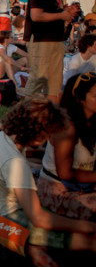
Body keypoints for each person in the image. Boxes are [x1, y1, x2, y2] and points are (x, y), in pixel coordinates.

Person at [0, 97, 96, 267]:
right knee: (84, 238)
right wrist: (88, 226)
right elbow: (39, 219)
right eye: (51, 134)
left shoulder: (5, 137)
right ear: (39, 136)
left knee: (63, 222)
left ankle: (35, 249)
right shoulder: (14, 162)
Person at [38, 73, 96, 220]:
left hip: (84, 186)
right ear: (80, 98)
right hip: (57, 190)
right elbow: (65, 174)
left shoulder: (91, 121)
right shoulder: (67, 127)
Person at [25, 0, 77, 103]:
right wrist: (61, 14)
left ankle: (52, 115)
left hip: (55, 39)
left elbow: (53, 12)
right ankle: (26, 115)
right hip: (41, 39)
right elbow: (36, 15)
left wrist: (65, 12)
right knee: (38, 78)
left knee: (55, 82)